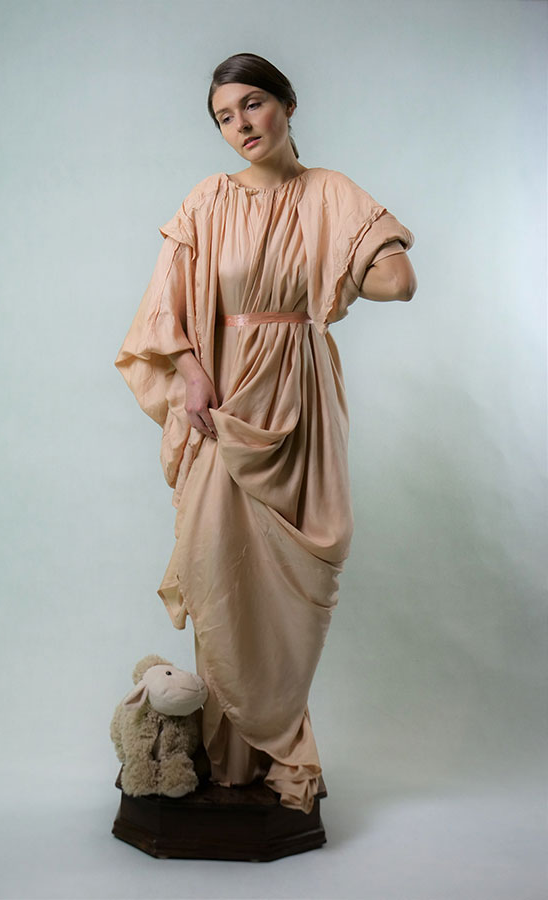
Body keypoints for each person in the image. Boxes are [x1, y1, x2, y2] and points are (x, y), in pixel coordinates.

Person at [114, 52, 417, 816]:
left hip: (299, 402)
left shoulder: (329, 192)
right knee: (217, 568)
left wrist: (340, 260)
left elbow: (397, 281)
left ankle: (279, 745)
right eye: (224, 116)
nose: (240, 124)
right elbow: (164, 308)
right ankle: (226, 759)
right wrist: (191, 373)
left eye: (252, 103)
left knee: (293, 587)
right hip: (223, 405)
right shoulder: (206, 201)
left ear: (287, 103)